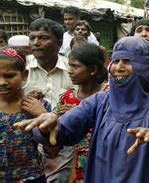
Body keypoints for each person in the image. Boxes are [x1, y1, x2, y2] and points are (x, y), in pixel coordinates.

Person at [15, 36, 149, 182]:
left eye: (128, 61)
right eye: (116, 61)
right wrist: (48, 126)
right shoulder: (100, 102)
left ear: (143, 67)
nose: (119, 67)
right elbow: (63, 132)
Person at [23, 18, 75, 181]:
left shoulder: (73, 68)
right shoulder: (21, 68)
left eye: (43, 38)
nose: (36, 43)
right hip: (27, 140)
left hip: (65, 140)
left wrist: (75, 108)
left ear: (59, 44)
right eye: (32, 38)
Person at [57, 44, 107, 182]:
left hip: (104, 159)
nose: (70, 71)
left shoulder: (109, 95)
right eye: (69, 66)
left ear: (93, 69)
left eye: (76, 66)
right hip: (74, 164)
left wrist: (79, 113)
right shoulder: (66, 98)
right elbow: (57, 133)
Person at [0, 47, 51, 182]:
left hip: (31, 177)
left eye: (9, 76)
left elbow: (53, 150)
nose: (2, 82)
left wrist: (42, 115)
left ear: (25, 75)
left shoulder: (38, 106)